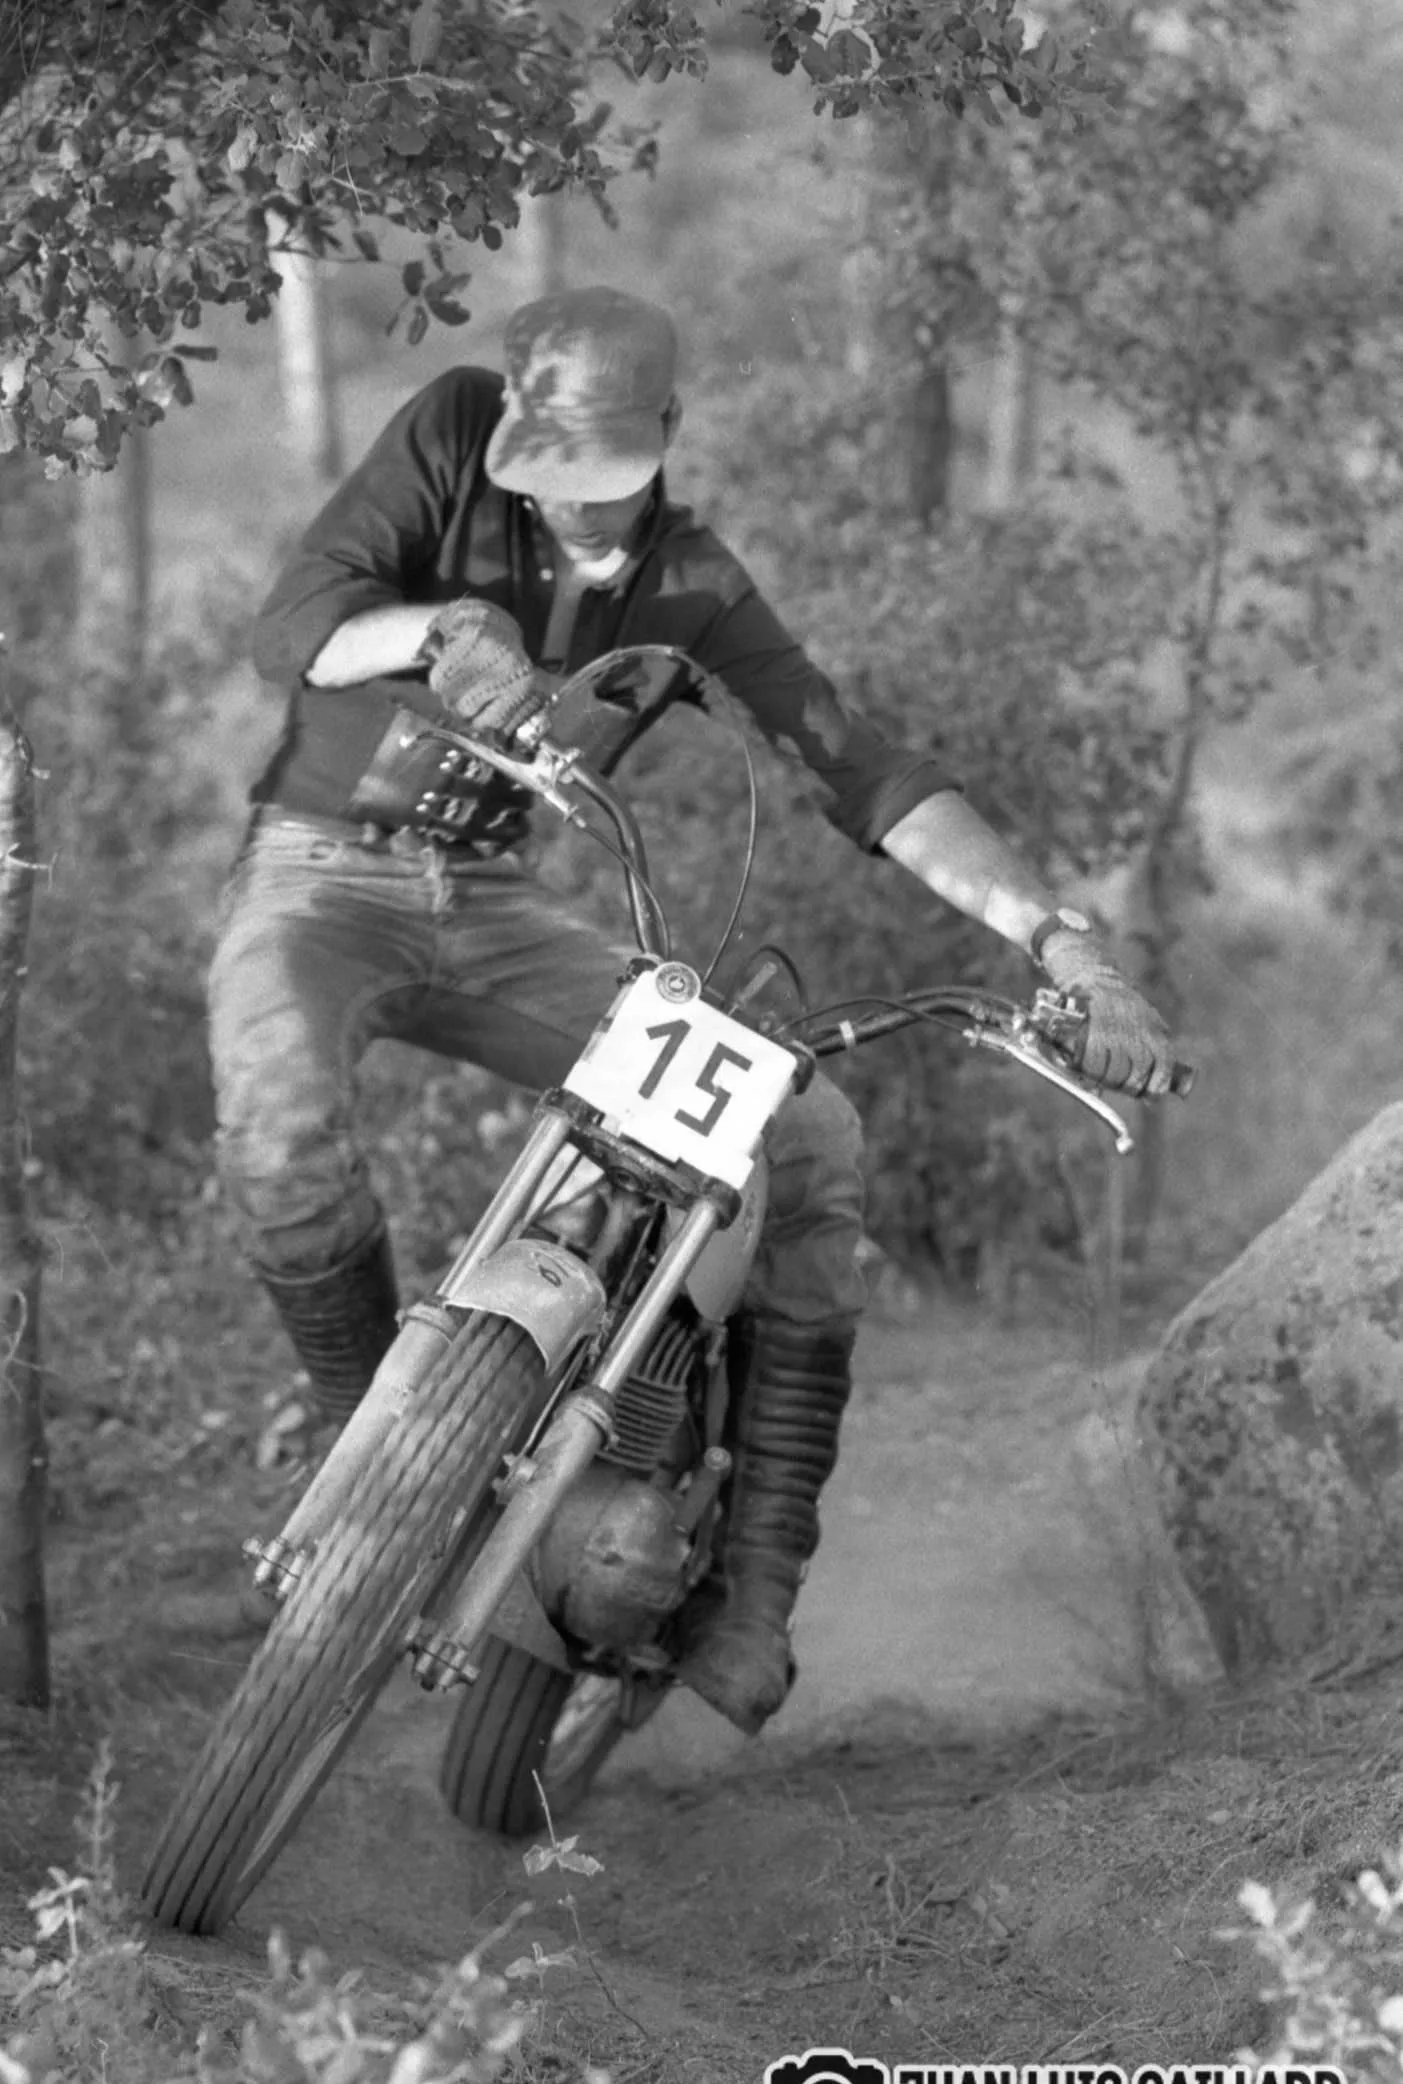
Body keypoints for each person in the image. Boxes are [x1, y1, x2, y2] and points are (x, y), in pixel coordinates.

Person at [218, 285, 1186, 1737]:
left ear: (665, 433)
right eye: (547, 476)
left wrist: (1064, 942)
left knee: (807, 1133)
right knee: (279, 1118)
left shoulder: (690, 583)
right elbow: (292, 628)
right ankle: (370, 1471)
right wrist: (440, 626)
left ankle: (753, 1587)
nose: (569, 507)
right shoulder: (452, 436)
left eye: (602, 476)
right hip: (316, 876)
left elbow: (865, 771)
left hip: (492, 909)